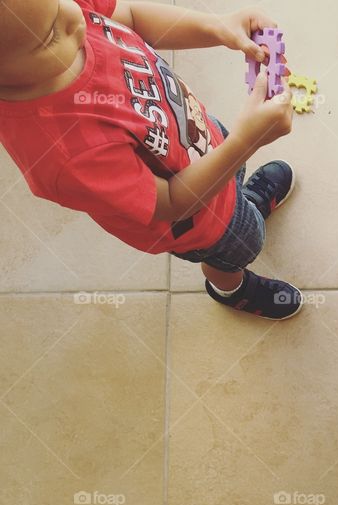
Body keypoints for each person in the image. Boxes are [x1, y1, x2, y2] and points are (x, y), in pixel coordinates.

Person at [0, 0, 302, 319]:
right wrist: (245, 141)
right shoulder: (65, 156)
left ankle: (242, 198)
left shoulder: (44, 12)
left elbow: (130, 16)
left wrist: (218, 26)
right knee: (240, 245)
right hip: (197, 218)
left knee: (232, 171)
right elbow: (172, 203)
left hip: (196, 136)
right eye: (49, 37)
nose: (77, 17)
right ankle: (233, 290)